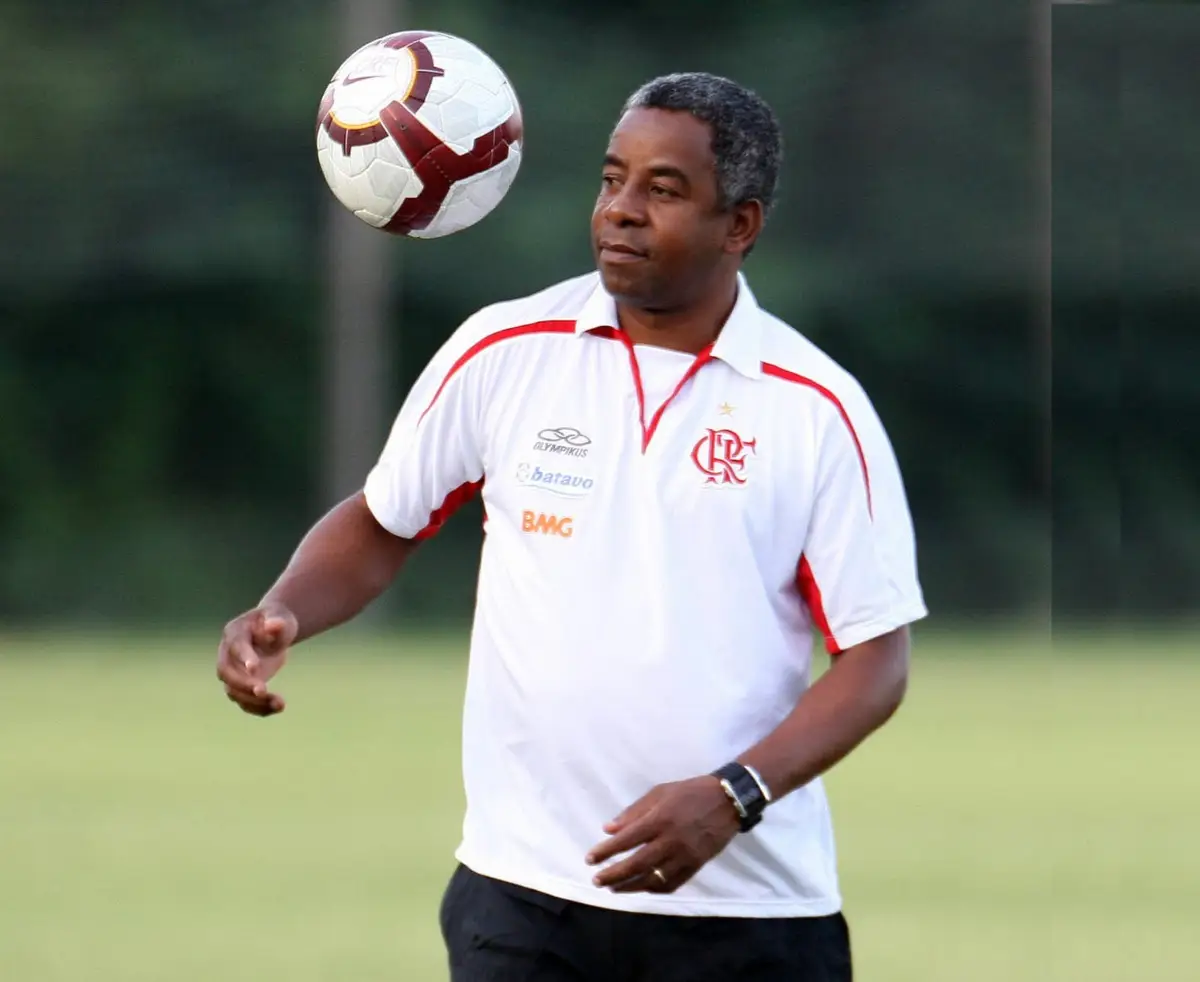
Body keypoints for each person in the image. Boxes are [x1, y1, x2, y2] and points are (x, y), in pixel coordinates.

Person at [217, 71, 927, 981]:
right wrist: (283, 610)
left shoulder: (818, 409)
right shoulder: (504, 350)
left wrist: (732, 795)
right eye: (612, 179)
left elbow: (876, 661)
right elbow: (383, 521)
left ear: (739, 225)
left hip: (747, 917)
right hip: (521, 900)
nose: (621, 211)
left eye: (663, 190)